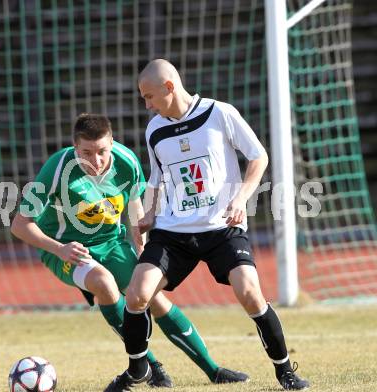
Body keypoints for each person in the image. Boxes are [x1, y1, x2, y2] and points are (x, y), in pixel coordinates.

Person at [104, 59, 310, 391]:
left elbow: (258, 156)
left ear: (169, 87)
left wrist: (241, 197)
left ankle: (285, 371)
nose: (146, 104)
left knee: (250, 293)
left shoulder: (220, 113)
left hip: (221, 228)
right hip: (173, 232)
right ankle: (136, 370)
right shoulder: (155, 128)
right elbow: (157, 177)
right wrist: (151, 213)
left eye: (149, 96)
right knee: (138, 294)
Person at [10, 113, 248, 388]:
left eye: (102, 151)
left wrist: (140, 240)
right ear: (75, 148)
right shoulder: (56, 168)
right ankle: (148, 366)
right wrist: (59, 248)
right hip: (66, 250)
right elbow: (19, 224)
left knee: (152, 298)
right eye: (86, 152)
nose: (95, 161)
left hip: (113, 242)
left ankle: (213, 370)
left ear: (111, 143)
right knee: (104, 283)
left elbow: (135, 202)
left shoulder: (126, 161)